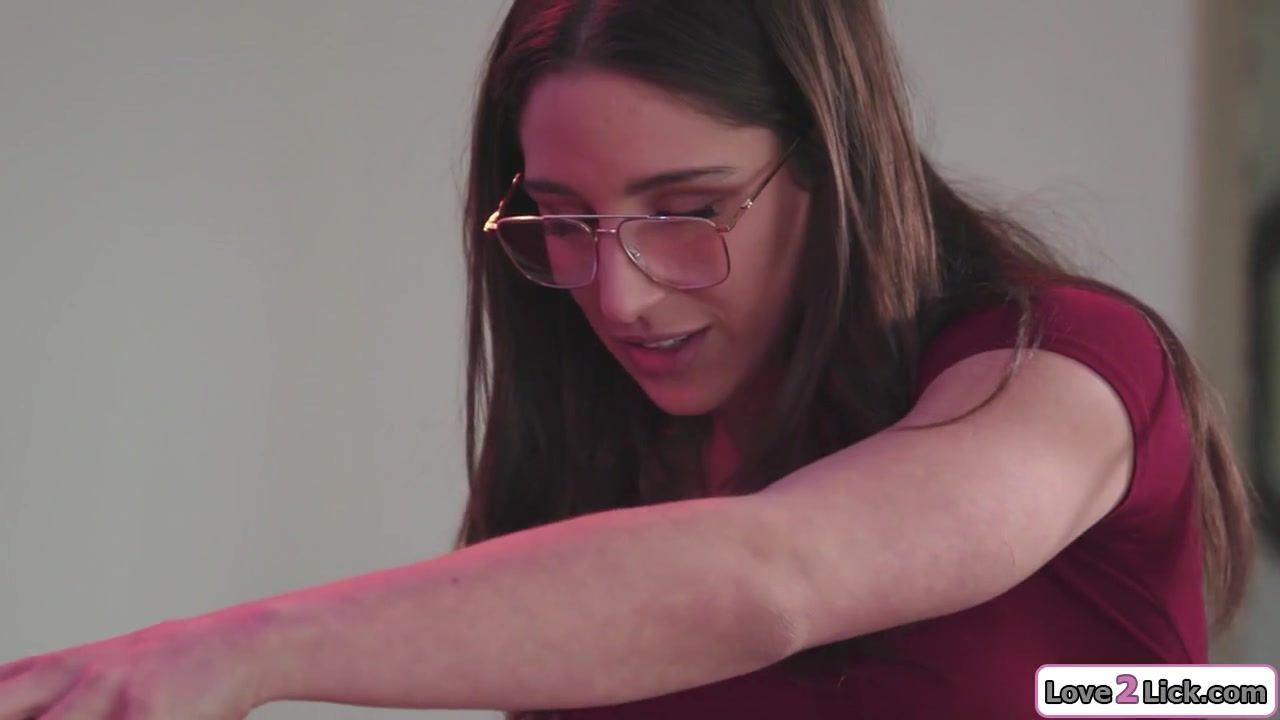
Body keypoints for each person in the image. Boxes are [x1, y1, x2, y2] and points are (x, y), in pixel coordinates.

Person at [0, 1, 1257, 718]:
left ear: (832, 163)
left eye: (687, 210)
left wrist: (241, 651)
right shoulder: (599, 470)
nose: (619, 293)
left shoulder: (1058, 371)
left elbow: (775, 577)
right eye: (561, 218)